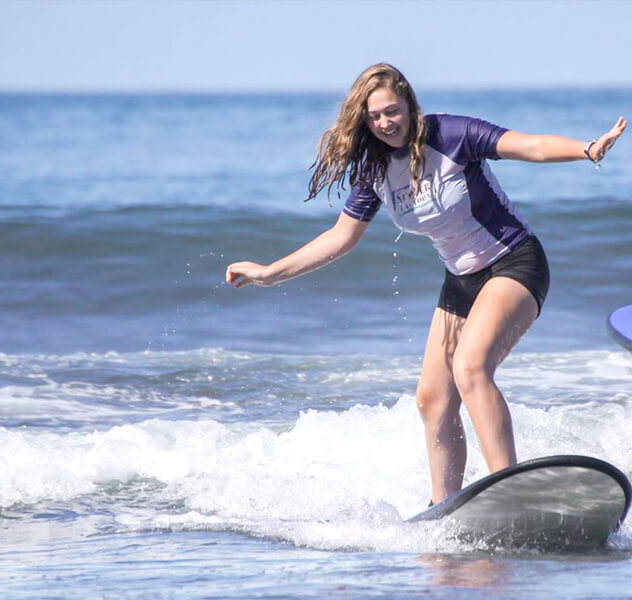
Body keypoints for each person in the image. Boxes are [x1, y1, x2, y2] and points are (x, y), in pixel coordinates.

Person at [225, 63, 626, 504]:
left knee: (470, 368)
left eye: (391, 111)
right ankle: (444, 508)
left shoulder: (452, 135)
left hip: (514, 262)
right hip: (462, 280)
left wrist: (587, 149)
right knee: (432, 399)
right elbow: (341, 238)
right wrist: (270, 273)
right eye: (374, 117)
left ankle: (511, 489)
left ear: (410, 105)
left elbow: (527, 145)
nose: (384, 123)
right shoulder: (375, 170)